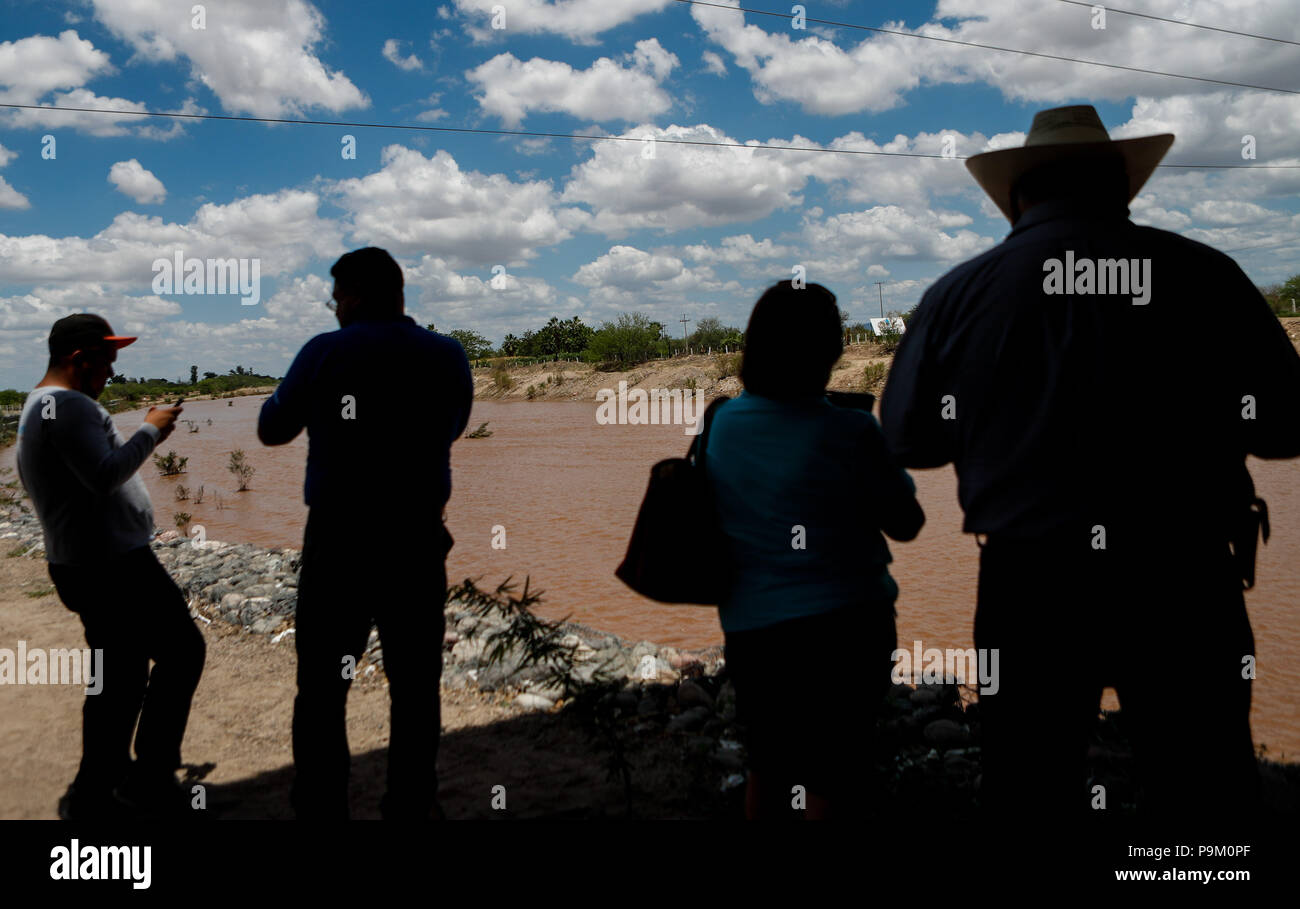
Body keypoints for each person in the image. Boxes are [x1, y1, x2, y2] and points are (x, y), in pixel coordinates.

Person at [880, 105, 1300, 819]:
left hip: (1029, 584)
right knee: (1204, 786)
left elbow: (908, 441)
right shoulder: (1208, 275)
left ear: (1016, 196)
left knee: (1028, 785)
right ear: (1122, 188)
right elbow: (1286, 426)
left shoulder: (957, 294)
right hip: (1186, 579)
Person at [259, 247, 473, 820]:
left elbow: (271, 430)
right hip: (417, 541)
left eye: (336, 296)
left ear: (353, 295)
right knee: (415, 689)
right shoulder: (447, 354)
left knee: (324, 691)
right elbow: (453, 426)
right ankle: (411, 807)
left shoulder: (323, 352)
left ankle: (321, 807)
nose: (333, 307)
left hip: (339, 545)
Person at [705, 280, 924, 819]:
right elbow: (907, 523)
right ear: (832, 351)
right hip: (847, 626)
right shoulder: (850, 430)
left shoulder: (721, 423)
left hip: (754, 628)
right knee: (836, 770)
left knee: (768, 763)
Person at [15, 314, 203, 820]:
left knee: (117, 677)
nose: (110, 375)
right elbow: (103, 478)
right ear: (79, 360)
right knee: (183, 652)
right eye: (105, 364)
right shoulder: (70, 406)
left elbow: (91, 471)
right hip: (112, 564)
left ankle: (100, 787)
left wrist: (137, 433)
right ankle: (143, 780)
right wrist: (151, 430)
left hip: (83, 561)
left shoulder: (43, 405)